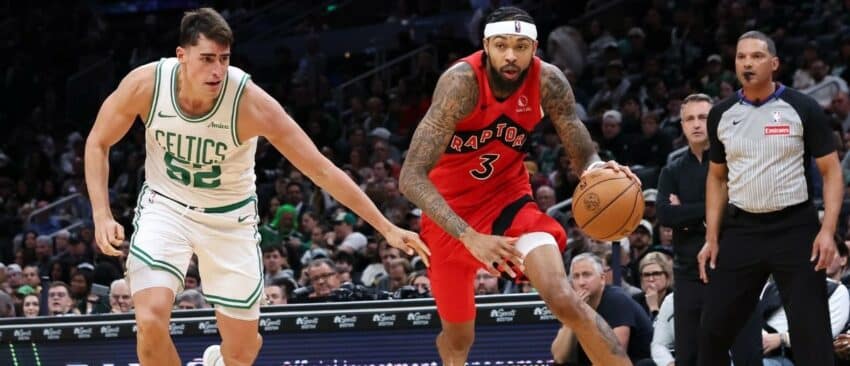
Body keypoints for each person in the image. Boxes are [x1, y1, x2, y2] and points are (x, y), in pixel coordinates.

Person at [84, 8, 430, 366]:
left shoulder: (250, 103)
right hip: (166, 208)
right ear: (182, 55)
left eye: (224, 59)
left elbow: (321, 170)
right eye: (207, 59)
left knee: (243, 351)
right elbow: (98, 142)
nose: (217, 70)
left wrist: (386, 228)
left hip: (229, 219)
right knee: (150, 321)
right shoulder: (147, 84)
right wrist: (101, 213)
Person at [398, 6, 634, 365]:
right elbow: (410, 176)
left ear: (534, 49)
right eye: (502, 45)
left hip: (508, 201)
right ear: (486, 46)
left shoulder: (548, 81)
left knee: (564, 299)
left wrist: (598, 169)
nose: (511, 55)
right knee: (459, 338)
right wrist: (470, 236)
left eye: (521, 47)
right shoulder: (461, 83)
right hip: (449, 217)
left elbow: (580, 146)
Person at [697, 30, 842, 366]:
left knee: (812, 335)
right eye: (741, 57)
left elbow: (832, 172)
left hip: (795, 228)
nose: (747, 63)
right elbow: (717, 178)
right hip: (742, 230)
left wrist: (827, 230)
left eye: (757, 56)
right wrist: (712, 236)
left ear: (774, 64)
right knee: (712, 329)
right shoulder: (721, 114)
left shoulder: (802, 107)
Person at [655, 92, 712, 366]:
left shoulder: (731, 163)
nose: (696, 124)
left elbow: (734, 211)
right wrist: (709, 211)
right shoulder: (672, 170)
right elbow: (666, 215)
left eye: (703, 117)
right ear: (682, 125)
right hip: (687, 271)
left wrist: (685, 212)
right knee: (688, 354)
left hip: (728, 269)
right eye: (690, 119)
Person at [553, 253, 653, 365]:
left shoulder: (617, 300)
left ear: (602, 279)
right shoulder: (575, 304)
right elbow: (559, 357)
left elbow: (615, 357)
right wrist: (574, 313)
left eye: (586, 275)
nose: (581, 282)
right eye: (576, 276)